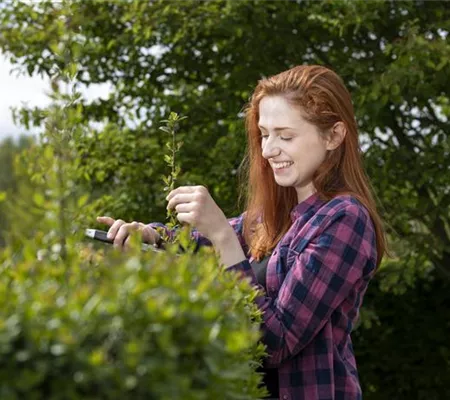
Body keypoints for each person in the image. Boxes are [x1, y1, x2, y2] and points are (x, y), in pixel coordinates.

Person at [97, 65, 387, 400]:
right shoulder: (270, 218)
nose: (268, 150)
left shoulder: (344, 219)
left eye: (286, 136)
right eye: (264, 134)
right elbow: (194, 245)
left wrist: (222, 236)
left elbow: (275, 342)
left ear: (333, 136)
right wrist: (148, 236)